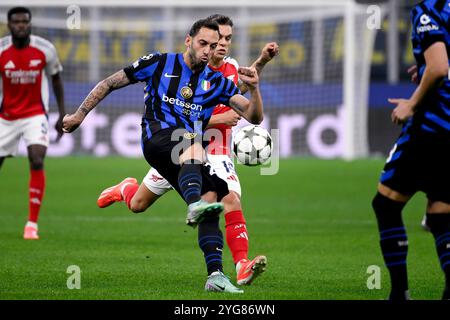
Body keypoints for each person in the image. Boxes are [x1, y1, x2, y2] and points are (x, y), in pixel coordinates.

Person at [62, 18, 264, 293]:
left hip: (186, 155)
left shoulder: (215, 81)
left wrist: (254, 88)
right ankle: (195, 205)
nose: (207, 50)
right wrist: (79, 115)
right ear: (188, 40)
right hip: (156, 139)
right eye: (203, 43)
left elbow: (253, 117)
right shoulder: (159, 63)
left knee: (213, 197)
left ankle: (215, 275)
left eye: (213, 45)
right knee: (193, 145)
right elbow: (110, 82)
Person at [372, 0, 450, 300]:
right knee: (441, 213)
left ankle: (399, 293)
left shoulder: (427, 10)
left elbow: (440, 67)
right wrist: (426, 71)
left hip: (433, 127)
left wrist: (412, 103)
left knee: (386, 204)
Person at [0, 7, 65, 240]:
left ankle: (31, 224)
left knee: (37, 159)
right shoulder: (1, 50)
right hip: (5, 117)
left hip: (35, 114)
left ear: (29, 24)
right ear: (8, 25)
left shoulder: (44, 48)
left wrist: (61, 114)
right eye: (16, 22)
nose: (20, 25)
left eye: (24, 22)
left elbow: (56, 79)